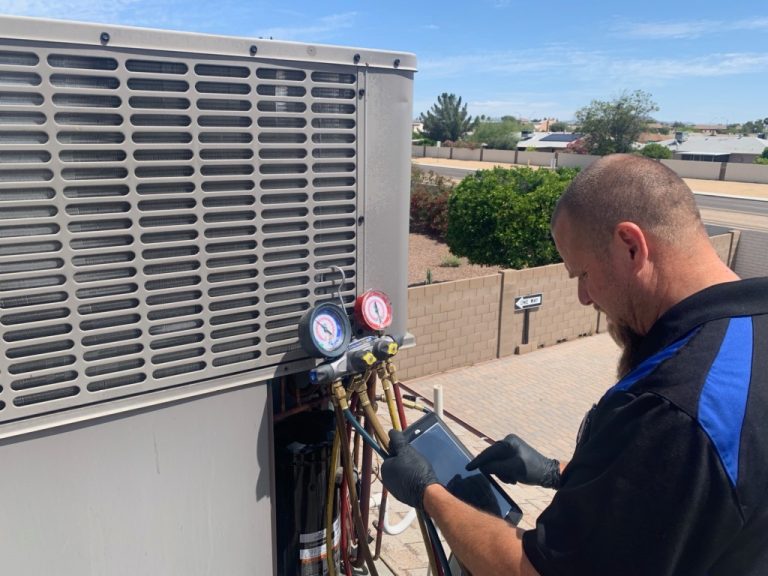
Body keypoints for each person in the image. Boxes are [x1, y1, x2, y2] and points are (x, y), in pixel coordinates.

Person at [382, 153, 768, 575]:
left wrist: (429, 492)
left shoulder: (671, 407)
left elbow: (531, 570)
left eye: (581, 274)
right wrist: (558, 472)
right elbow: (676, 495)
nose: (584, 297)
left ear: (631, 246)